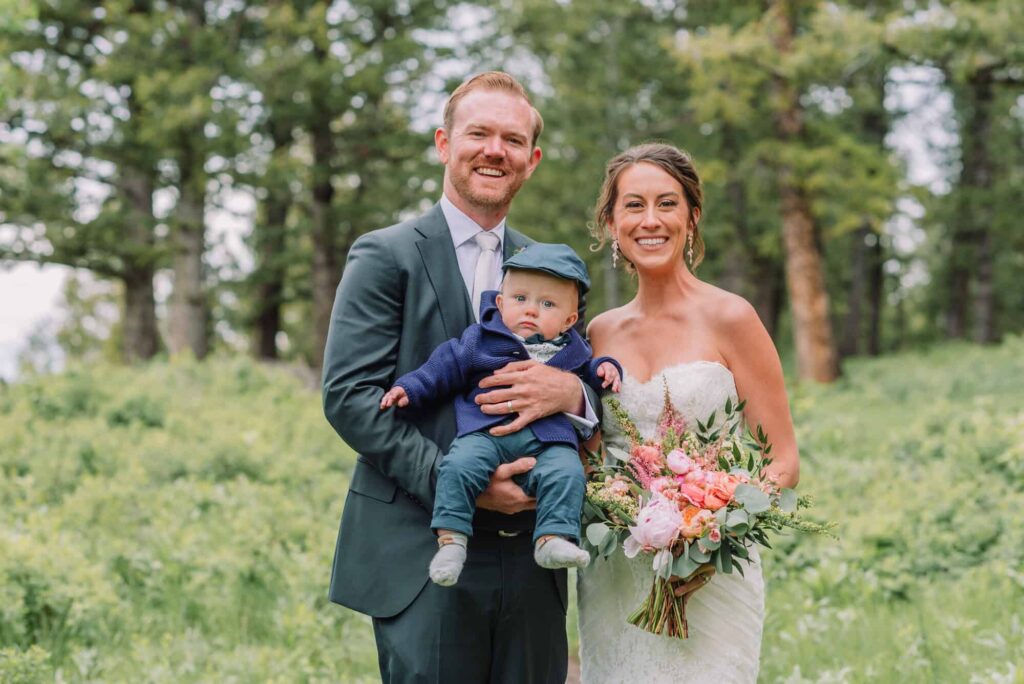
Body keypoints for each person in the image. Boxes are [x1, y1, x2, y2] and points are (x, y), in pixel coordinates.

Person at [322, 72, 600, 683]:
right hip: (422, 546)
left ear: (532, 159)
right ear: (445, 143)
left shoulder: (554, 268)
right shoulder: (384, 254)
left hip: (532, 554)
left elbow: (590, 372)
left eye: (511, 139)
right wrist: (459, 484)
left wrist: (574, 393)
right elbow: (348, 398)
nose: (494, 150)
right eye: (479, 133)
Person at [577, 142, 801, 683]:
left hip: (712, 572)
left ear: (692, 217)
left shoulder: (732, 317)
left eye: (667, 203)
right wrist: (614, 509)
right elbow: (588, 455)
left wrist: (714, 532)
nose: (650, 220)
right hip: (618, 572)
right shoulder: (597, 333)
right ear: (610, 223)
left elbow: (784, 461)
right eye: (633, 205)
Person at [379, 244, 622, 586]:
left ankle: (552, 538)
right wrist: (410, 388)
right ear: (500, 302)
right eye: (520, 298)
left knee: (567, 473)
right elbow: (443, 366)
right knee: (458, 466)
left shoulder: (574, 350)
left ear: (569, 320)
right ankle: (451, 541)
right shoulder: (481, 340)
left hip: (548, 441)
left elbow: (591, 374)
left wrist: (608, 368)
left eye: (547, 304)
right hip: (485, 434)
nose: (531, 311)